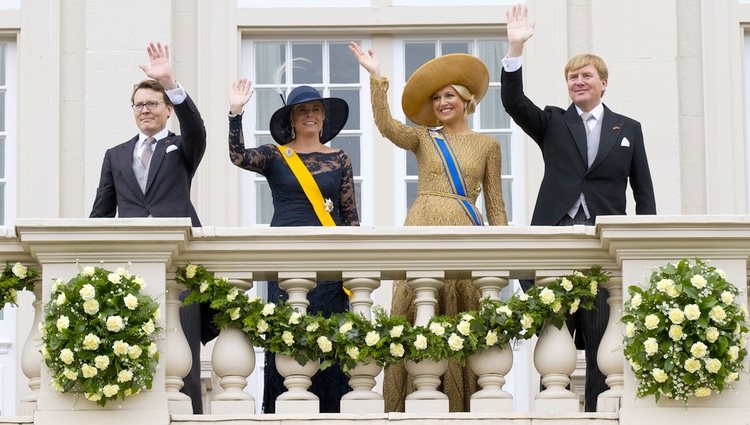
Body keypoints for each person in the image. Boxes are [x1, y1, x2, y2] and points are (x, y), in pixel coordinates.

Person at [502, 5, 656, 412]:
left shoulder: (629, 129)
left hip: (602, 246)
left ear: (603, 83)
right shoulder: (553, 122)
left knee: (604, 336)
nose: (578, 81)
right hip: (555, 238)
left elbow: (644, 193)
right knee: (554, 340)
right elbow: (513, 101)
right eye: (573, 76)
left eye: (586, 75)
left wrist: (646, 253)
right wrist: (515, 48)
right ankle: (552, 415)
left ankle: (600, 413)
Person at [349, 42, 508, 412]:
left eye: (449, 96)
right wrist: (376, 78)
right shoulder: (423, 137)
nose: (442, 104)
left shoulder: (488, 145)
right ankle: (407, 403)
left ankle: (461, 406)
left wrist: (501, 254)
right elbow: (387, 127)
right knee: (417, 313)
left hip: (466, 232)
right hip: (422, 225)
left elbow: (496, 205)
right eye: (436, 98)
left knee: (460, 319)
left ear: (466, 99)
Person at [89, 42, 216, 414]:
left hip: (181, 268)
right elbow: (101, 212)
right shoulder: (115, 155)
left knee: (183, 357)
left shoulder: (182, 146)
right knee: (130, 355)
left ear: (167, 110)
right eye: (139, 105)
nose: (145, 110)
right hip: (129, 270)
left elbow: (198, 129)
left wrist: (169, 81)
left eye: (153, 103)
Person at [227, 78, 359, 412]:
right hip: (286, 257)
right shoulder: (275, 156)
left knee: (330, 343)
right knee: (288, 340)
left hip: (329, 266)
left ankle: (332, 414)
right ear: (292, 119)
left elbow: (349, 217)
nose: (311, 116)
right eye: (303, 111)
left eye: (316, 109)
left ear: (324, 118)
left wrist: (353, 269)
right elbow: (238, 156)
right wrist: (236, 113)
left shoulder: (340, 158)